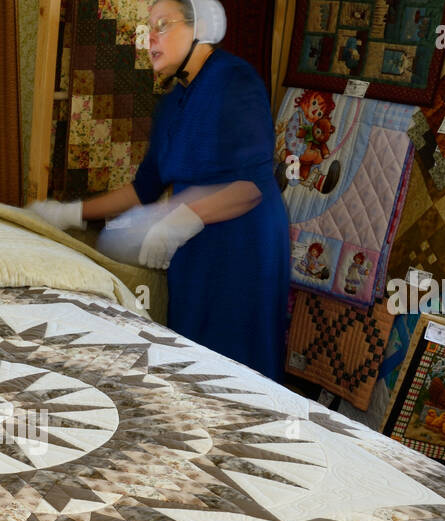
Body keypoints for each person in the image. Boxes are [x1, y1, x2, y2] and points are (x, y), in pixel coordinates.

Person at [26, 0, 290, 380]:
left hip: (243, 248)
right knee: (193, 363)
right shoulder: (171, 103)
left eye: (162, 25)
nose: (149, 39)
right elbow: (144, 188)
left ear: (200, 27)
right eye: (146, 29)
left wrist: (181, 219)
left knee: (239, 369)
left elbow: (251, 187)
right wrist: (70, 213)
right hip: (194, 248)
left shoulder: (236, 80)